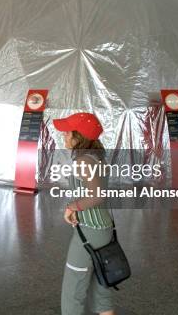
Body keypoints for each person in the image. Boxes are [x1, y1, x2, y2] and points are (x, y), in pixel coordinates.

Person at [53, 112, 115, 315]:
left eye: (67, 133)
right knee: (101, 289)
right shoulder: (97, 158)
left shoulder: (83, 161)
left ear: (78, 137)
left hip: (90, 232)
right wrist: (75, 205)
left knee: (73, 291)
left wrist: (72, 207)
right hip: (104, 229)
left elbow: (97, 195)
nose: (64, 137)